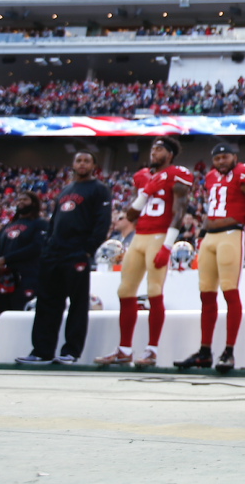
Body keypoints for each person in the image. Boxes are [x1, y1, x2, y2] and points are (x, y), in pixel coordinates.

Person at [174, 143, 245, 373]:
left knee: (229, 292)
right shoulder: (209, 177)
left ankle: (228, 351)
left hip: (231, 235)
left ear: (234, 157)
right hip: (209, 237)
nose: (220, 161)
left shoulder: (243, 173)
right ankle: (205, 351)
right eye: (217, 157)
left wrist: (238, 220)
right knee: (206, 295)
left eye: (225, 156)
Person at [95, 137, 192, 367]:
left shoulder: (177, 174)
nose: (153, 152)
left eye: (159, 149)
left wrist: (168, 246)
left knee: (154, 292)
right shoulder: (141, 176)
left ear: (169, 154)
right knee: (124, 291)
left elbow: (179, 213)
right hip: (139, 236)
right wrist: (147, 190)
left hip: (159, 236)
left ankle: (151, 350)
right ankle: (124, 349)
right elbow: (130, 215)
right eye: (153, 148)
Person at [16, 152, 112, 365]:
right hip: (53, 253)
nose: (82, 164)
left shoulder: (99, 189)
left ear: (94, 165)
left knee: (77, 305)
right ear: (73, 164)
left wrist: (87, 250)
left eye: (87, 160)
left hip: (77, 252)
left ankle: (70, 352)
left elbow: (102, 222)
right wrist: (47, 247)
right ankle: (42, 351)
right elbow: (54, 221)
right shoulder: (66, 190)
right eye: (79, 160)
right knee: (47, 303)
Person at [0, 192, 49, 337]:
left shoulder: (40, 223)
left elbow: (37, 247)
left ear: (34, 203)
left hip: (27, 277)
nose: (21, 201)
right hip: (4, 278)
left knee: (21, 316)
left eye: (25, 199)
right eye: (19, 199)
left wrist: (5, 259)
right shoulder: (9, 225)